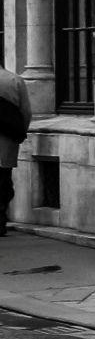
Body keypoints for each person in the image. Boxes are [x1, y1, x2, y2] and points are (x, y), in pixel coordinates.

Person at [0, 45, 27, 236]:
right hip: (7, 140)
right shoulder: (14, 80)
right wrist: (20, 133)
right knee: (3, 180)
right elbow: (26, 112)